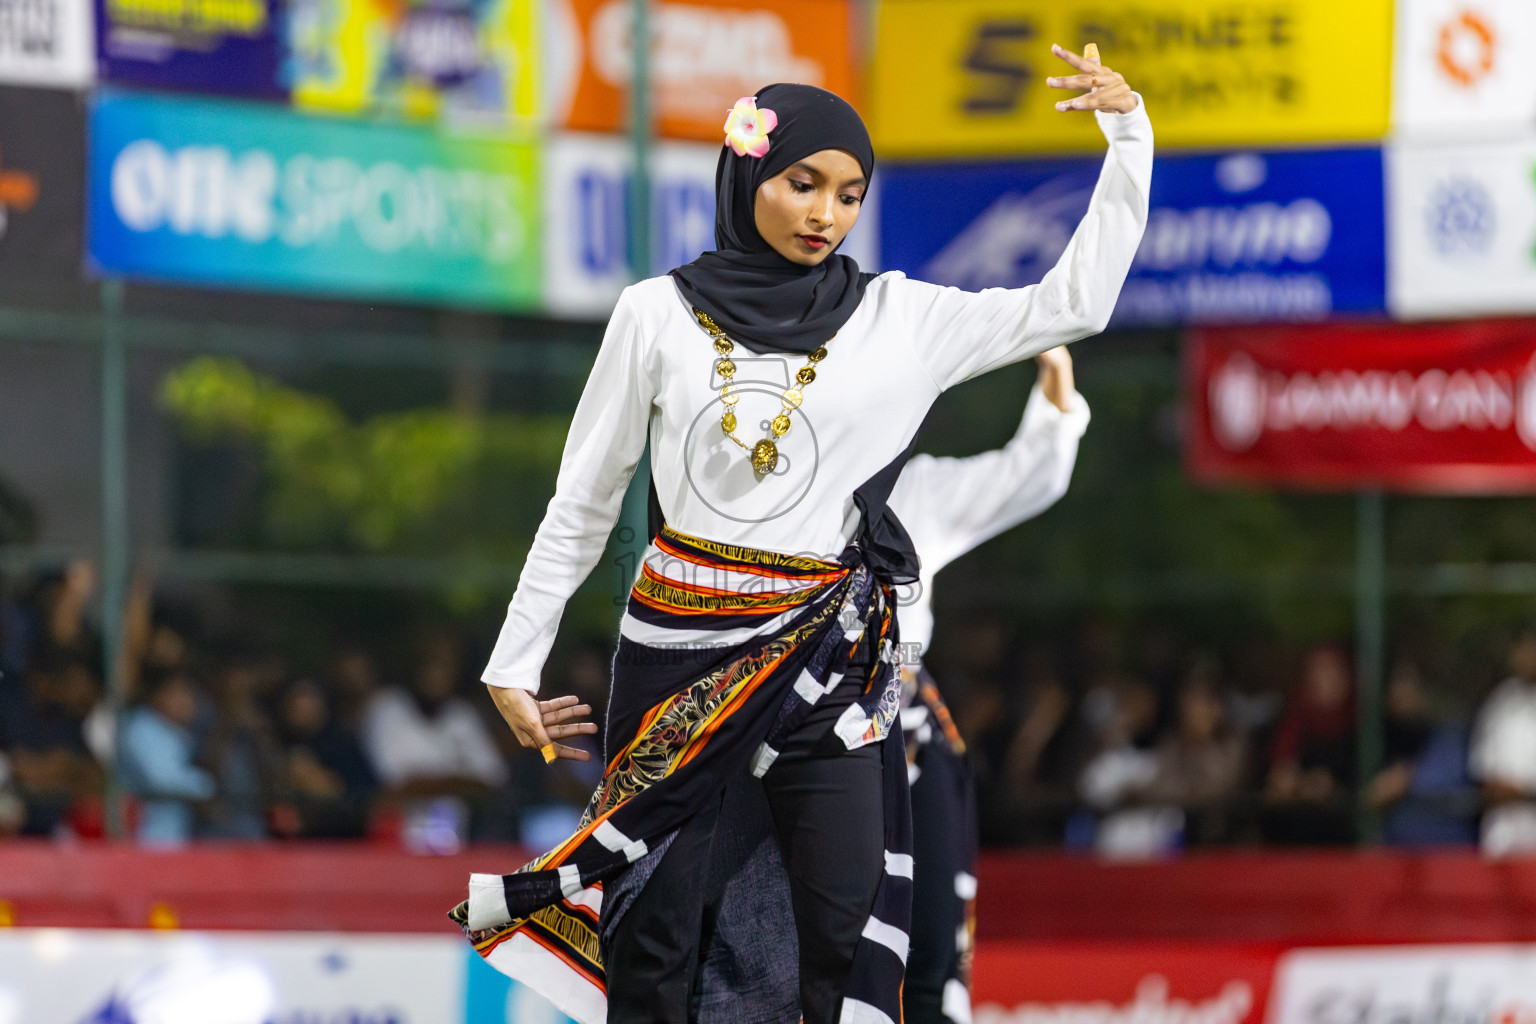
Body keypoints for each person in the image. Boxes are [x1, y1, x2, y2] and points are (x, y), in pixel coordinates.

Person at [457, 51, 1150, 1024]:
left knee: (846, 931)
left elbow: (1074, 303)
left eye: (849, 192)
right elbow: (584, 497)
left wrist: (1130, 134)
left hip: (830, 666)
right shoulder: (654, 314)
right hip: (677, 661)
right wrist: (516, 657)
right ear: (748, 180)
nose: (825, 210)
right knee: (653, 936)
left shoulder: (902, 318)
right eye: (802, 182)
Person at [883, 345, 1088, 1023]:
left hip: (906, 744)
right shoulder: (772, 499)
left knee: (934, 965)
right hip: (801, 751)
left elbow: (1031, 473)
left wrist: (1053, 369)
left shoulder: (911, 492)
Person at [119, 667, 215, 847]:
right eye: (177, 693)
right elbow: (162, 780)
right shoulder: (142, 728)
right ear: (158, 695)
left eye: (188, 694)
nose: (187, 701)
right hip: (147, 840)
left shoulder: (177, 733)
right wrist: (205, 785)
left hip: (174, 840)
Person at [1469, 628, 1536, 856]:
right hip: (1502, 832)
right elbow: (1480, 765)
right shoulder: (1501, 700)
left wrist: (1524, 792)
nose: (1526, 657)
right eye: (1521, 649)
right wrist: (1495, 788)